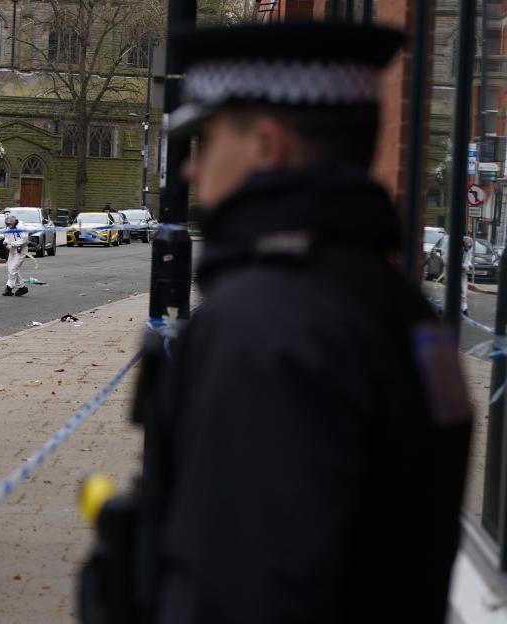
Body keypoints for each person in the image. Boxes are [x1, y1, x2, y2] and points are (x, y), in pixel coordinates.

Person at [130, 22, 471, 624]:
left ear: (267, 144)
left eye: (205, 142)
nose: (190, 170)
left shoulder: (266, 321)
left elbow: (248, 584)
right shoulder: (397, 305)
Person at [3, 214, 29, 297]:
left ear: (14, 223)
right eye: (6, 224)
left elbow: (24, 239)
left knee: (13, 269)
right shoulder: (8, 228)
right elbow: (7, 237)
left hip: (21, 250)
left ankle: (9, 288)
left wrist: (13, 244)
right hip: (12, 250)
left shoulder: (21, 227)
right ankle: (22, 288)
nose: (8, 226)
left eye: (9, 224)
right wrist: (6, 242)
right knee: (10, 269)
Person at [461, 236, 474, 315]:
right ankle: (444, 306)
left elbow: (468, 259)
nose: (467, 249)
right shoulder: (457, 248)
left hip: (463, 272)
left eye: (469, 247)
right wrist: (464, 266)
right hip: (453, 271)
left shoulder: (469, 249)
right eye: (467, 247)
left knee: (463, 290)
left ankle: (464, 308)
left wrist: (469, 265)